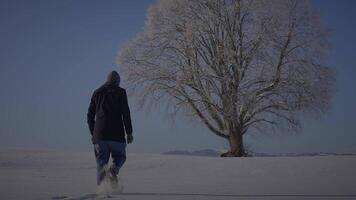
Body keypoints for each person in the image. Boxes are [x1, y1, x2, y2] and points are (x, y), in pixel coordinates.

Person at [87, 70, 133, 186]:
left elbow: (89, 116)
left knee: (101, 164)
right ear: (117, 81)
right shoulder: (121, 92)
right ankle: (114, 170)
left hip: (100, 135)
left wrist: (94, 133)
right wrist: (129, 132)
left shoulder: (97, 93)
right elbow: (125, 113)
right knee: (120, 157)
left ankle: (101, 191)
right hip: (117, 135)